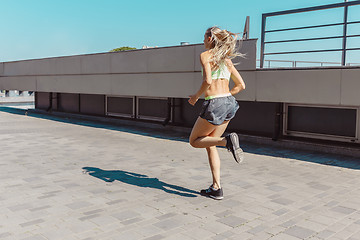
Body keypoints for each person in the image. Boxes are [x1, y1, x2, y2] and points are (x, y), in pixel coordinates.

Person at [188, 26, 246, 200]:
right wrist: (225, 96)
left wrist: (196, 97)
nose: (203, 40)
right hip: (229, 103)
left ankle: (226, 140)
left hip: (215, 103)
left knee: (194, 141)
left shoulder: (205, 56)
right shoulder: (227, 60)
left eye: (204, 37)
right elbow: (241, 86)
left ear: (210, 39)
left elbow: (207, 80)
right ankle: (216, 188)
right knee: (209, 143)